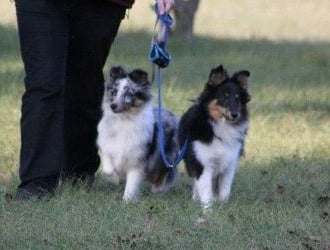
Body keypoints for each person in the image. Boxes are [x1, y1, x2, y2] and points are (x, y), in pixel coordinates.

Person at [15, 0, 175, 199]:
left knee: (84, 83)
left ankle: (78, 172)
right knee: (44, 84)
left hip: (102, 5)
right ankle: (37, 183)